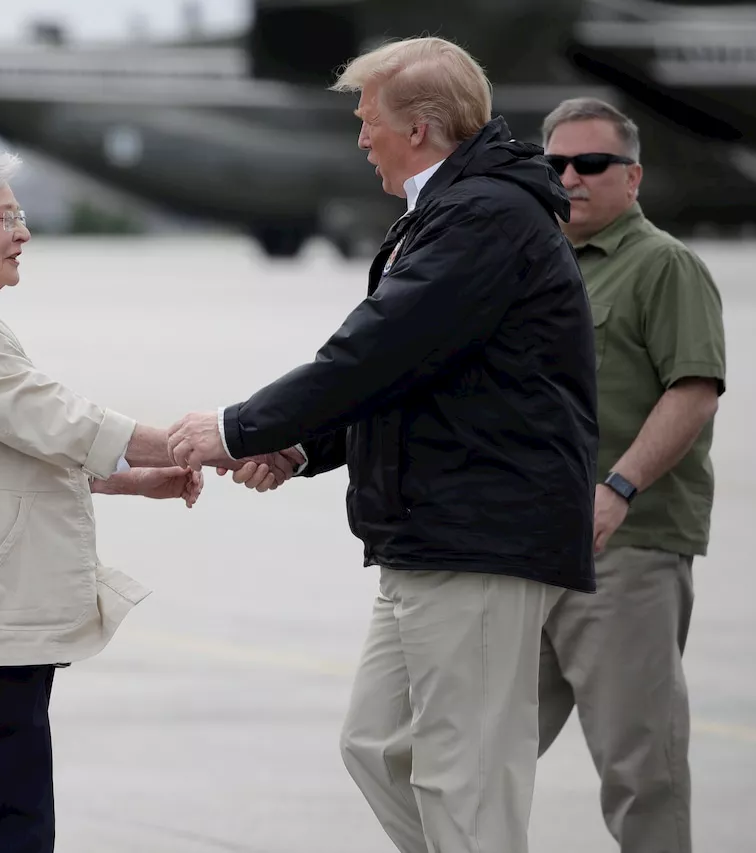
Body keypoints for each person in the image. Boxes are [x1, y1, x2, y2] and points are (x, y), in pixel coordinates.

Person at [168, 37, 599, 853]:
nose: (361, 138)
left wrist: (238, 428)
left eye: (370, 120)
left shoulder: (487, 216)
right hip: (430, 531)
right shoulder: (455, 210)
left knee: (465, 775)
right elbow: (405, 371)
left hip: (482, 534)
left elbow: (376, 348)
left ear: (425, 126)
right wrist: (300, 451)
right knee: (377, 747)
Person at [0, 144, 289, 853]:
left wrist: (132, 478)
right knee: (13, 833)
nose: (24, 232)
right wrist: (211, 439)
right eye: (7, 216)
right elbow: (58, 419)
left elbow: (10, 448)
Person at [537, 97, 726, 853]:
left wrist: (619, 488)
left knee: (639, 767)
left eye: (592, 164)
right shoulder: (533, 263)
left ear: (634, 175)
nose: (571, 178)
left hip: (627, 548)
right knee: (467, 753)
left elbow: (694, 390)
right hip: (524, 548)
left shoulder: (665, 266)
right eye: (554, 165)